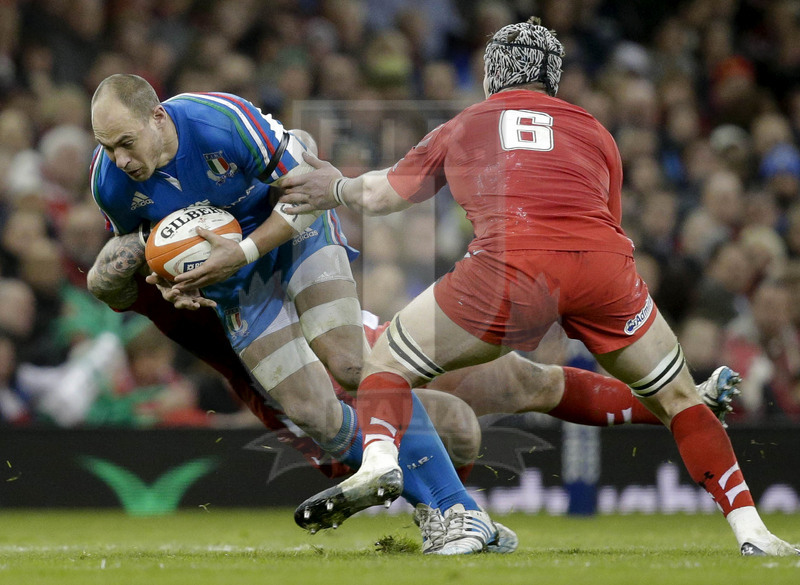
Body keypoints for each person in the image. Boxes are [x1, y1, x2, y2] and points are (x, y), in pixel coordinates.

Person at [279, 17, 799, 557]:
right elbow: (610, 220)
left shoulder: (466, 123)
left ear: (492, 73)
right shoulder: (596, 131)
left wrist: (333, 187)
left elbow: (388, 194)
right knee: (680, 396)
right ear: (553, 77)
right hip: (603, 267)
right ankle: (753, 532)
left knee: (386, 363)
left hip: (507, 266)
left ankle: (381, 463)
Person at [89, 231, 740, 554]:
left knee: (522, 375)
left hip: (355, 338)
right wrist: (141, 255)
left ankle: (684, 401)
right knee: (458, 426)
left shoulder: (244, 210)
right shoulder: (172, 287)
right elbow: (105, 280)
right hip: (301, 387)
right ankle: (442, 511)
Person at [86, 74, 512, 553]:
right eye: (107, 146)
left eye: (126, 142)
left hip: (294, 234)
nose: (119, 158)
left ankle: (453, 507)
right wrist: (169, 284)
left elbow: (309, 191)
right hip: (235, 280)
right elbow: (149, 244)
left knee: (351, 364)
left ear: (157, 117)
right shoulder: (110, 182)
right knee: (317, 417)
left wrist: (244, 250)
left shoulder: (221, 120)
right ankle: (452, 514)